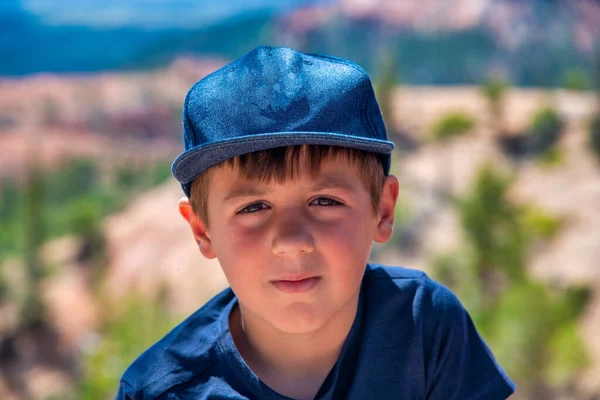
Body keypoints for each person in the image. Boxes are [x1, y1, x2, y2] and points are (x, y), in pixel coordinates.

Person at [116, 46, 515, 400]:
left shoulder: (423, 325)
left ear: (383, 209)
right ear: (202, 230)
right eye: (253, 208)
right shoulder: (164, 390)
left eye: (324, 201)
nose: (291, 241)